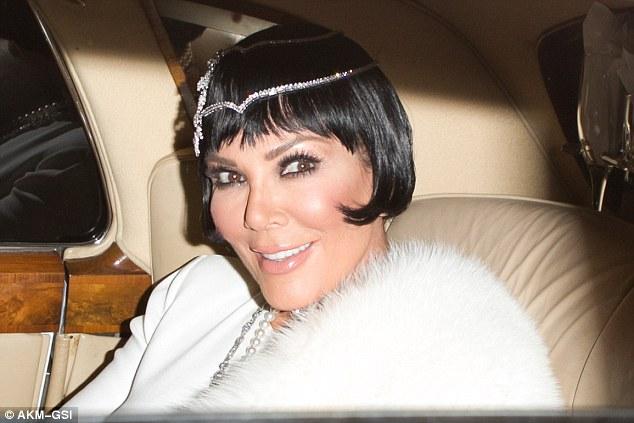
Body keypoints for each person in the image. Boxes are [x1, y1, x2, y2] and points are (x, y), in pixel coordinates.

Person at [67, 24, 562, 415]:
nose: (256, 214)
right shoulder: (193, 293)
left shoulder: (458, 368)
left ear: (379, 163)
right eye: (230, 177)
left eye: (297, 166)